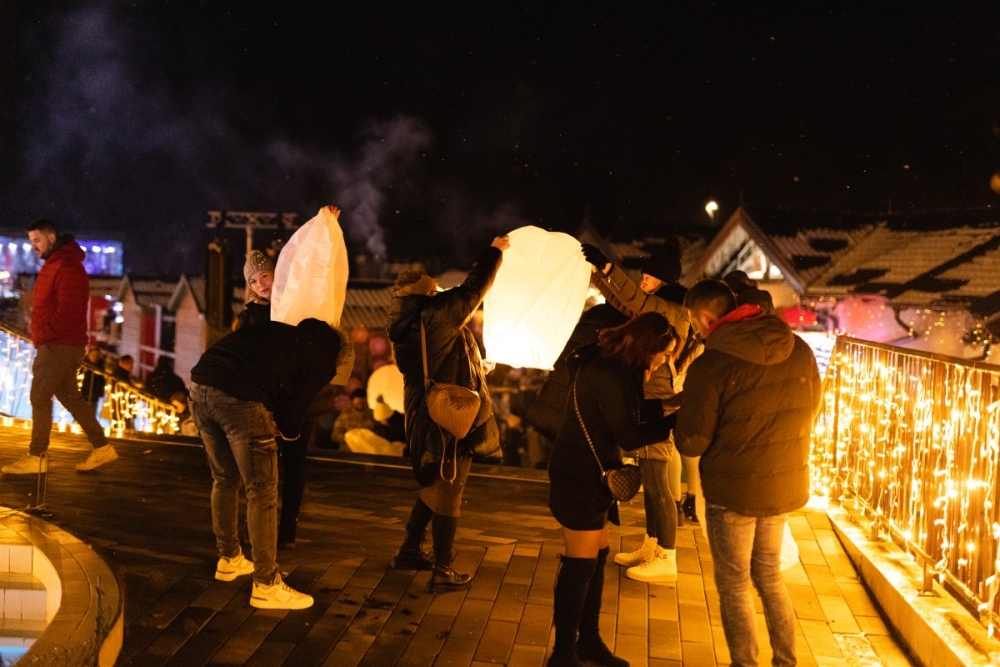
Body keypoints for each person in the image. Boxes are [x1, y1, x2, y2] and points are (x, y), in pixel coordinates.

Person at [675, 280, 822, 667]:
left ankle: (745, 663)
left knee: (734, 582)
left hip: (732, 490)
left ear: (706, 317)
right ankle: (786, 661)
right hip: (783, 480)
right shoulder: (798, 348)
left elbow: (692, 441)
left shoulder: (711, 364)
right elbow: (813, 409)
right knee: (770, 576)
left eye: (692, 322)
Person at [547, 312, 680, 667]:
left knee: (596, 558)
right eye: (665, 353)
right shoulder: (610, 374)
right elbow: (629, 435)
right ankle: (562, 654)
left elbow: (625, 413)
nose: (666, 360)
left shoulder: (615, 365)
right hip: (579, 476)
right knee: (579, 566)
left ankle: (588, 641)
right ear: (647, 348)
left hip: (593, 473)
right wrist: (675, 421)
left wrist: (671, 404)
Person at [188, 317, 342, 610]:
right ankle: (266, 584)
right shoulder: (321, 356)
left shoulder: (275, 333)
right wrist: (288, 431)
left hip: (199, 386)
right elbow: (295, 410)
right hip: (240, 398)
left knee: (224, 478)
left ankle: (229, 558)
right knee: (262, 491)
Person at [387, 236, 507, 593]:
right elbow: (474, 288)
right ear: (427, 293)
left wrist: (475, 366)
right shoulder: (435, 313)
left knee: (435, 483)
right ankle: (442, 569)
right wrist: (494, 251)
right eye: (435, 288)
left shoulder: (405, 320)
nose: (440, 291)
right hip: (449, 415)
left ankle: (410, 550)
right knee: (451, 490)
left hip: (423, 410)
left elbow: (436, 359)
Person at [582, 239, 701, 580]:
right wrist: (599, 276)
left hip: (657, 396)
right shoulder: (657, 306)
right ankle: (653, 544)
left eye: (649, 275)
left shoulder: (669, 309)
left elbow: (635, 300)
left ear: (664, 279)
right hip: (649, 393)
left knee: (659, 484)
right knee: (652, 482)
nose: (643, 279)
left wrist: (608, 268)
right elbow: (624, 300)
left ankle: (667, 557)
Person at [2, 219, 118, 475]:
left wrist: (45, 334)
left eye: (37, 240)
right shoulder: (56, 264)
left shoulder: (67, 267)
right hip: (61, 343)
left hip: (59, 344)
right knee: (69, 396)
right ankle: (102, 447)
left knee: (40, 396)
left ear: (51, 237)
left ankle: (37, 456)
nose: (34, 246)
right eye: (31, 241)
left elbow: (69, 310)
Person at [235, 249, 274, 329]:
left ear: (274, 275)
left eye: (264, 276)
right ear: (251, 287)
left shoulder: (291, 301)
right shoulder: (249, 318)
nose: (260, 284)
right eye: (253, 281)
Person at [79, 347, 107, 417]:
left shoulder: (100, 367)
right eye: (93, 353)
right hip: (82, 393)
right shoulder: (83, 365)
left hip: (94, 396)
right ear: (89, 354)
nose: (95, 356)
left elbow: (101, 381)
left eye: (97, 354)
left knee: (91, 414)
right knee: (80, 413)